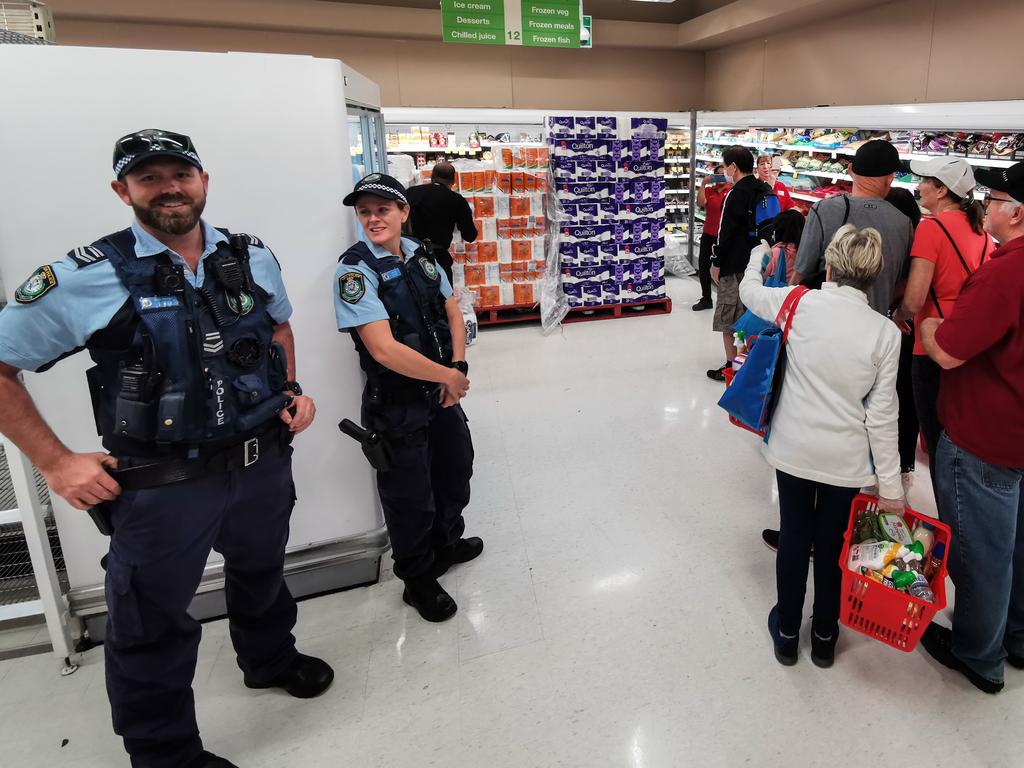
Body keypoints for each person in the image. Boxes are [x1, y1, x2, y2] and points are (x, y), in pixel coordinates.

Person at [0, 129, 332, 768]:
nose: (169, 188)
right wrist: (54, 461)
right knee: (150, 621)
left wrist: (290, 389)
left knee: (260, 573)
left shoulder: (249, 254)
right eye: (149, 178)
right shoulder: (86, 275)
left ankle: (268, 660)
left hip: (261, 461)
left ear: (204, 181)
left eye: (181, 174)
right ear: (122, 190)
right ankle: (165, 755)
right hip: (162, 486)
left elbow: (279, 325)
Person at [740, 225, 903, 668]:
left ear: (829, 265)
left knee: (794, 537)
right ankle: (827, 635)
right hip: (846, 461)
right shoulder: (886, 334)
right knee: (832, 546)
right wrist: (891, 488)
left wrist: (759, 252)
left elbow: (749, 290)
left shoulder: (796, 303)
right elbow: (883, 415)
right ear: (874, 275)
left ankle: (788, 632)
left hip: (793, 448)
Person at [334, 173, 481, 623]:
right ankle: (417, 579)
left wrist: (456, 369)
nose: (374, 219)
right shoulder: (354, 270)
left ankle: (446, 543)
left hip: (440, 391)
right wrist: (448, 377)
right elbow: (383, 348)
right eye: (365, 212)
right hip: (395, 403)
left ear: (404, 212)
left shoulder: (421, 253)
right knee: (408, 494)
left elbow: (451, 309)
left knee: (455, 468)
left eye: (383, 209)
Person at [917, 161, 1024, 695]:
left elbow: (952, 352)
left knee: (981, 551)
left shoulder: (1009, 269)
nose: (990, 205)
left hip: (985, 435)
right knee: (1018, 544)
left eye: (997, 196)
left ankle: (978, 655)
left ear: (1017, 212)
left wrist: (932, 326)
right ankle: (1018, 637)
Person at [891, 157, 993, 488]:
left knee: (936, 439)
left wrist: (899, 315)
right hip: (969, 342)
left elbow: (915, 298)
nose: (918, 186)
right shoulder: (982, 232)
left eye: (924, 181)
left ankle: (947, 519)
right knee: (962, 435)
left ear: (941, 189)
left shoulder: (931, 228)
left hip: (932, 343)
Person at [790, 140, 913, 314]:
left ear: (850, 170)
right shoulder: (903, 223)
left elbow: (800, 273)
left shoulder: (823, 210)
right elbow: (901, 285)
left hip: (823, 319)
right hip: (874, 325)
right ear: (890, 178)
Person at [707, 145, 772, 381]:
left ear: (733, 167)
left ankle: (732, 368)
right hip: (759, 263)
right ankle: (748, 363)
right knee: (750, 317)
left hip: (734, 265)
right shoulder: (764, 189)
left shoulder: (735, 194)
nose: (725, 171)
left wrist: (716, 263)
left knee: (729, 319)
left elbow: (725, 233)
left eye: (725, 166)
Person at [883, 187, 924, 491]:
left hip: (891, 328)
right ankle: (904, 469)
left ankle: (882, 469)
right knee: (908, 401)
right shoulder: (923, 239)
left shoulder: (888, 241)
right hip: (914, 332)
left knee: (883, 399)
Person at [405, 160, 478, 283]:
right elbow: (470, 235)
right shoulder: (457, 200)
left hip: (411, 255)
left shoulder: (411, 192)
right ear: (453, 181)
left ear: (432, 176)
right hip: (438, 259)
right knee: (444, 298)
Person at [693, 164, 731, 311]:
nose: (721, 178)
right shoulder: (709, 190)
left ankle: (725, 300)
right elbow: (700, 203)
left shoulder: (731, 191)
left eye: (724, 174)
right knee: (704, 266)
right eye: (718, 175)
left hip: (724, 236)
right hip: (708, 234)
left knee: (725, 269)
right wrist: (703, 183)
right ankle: (706, 298)